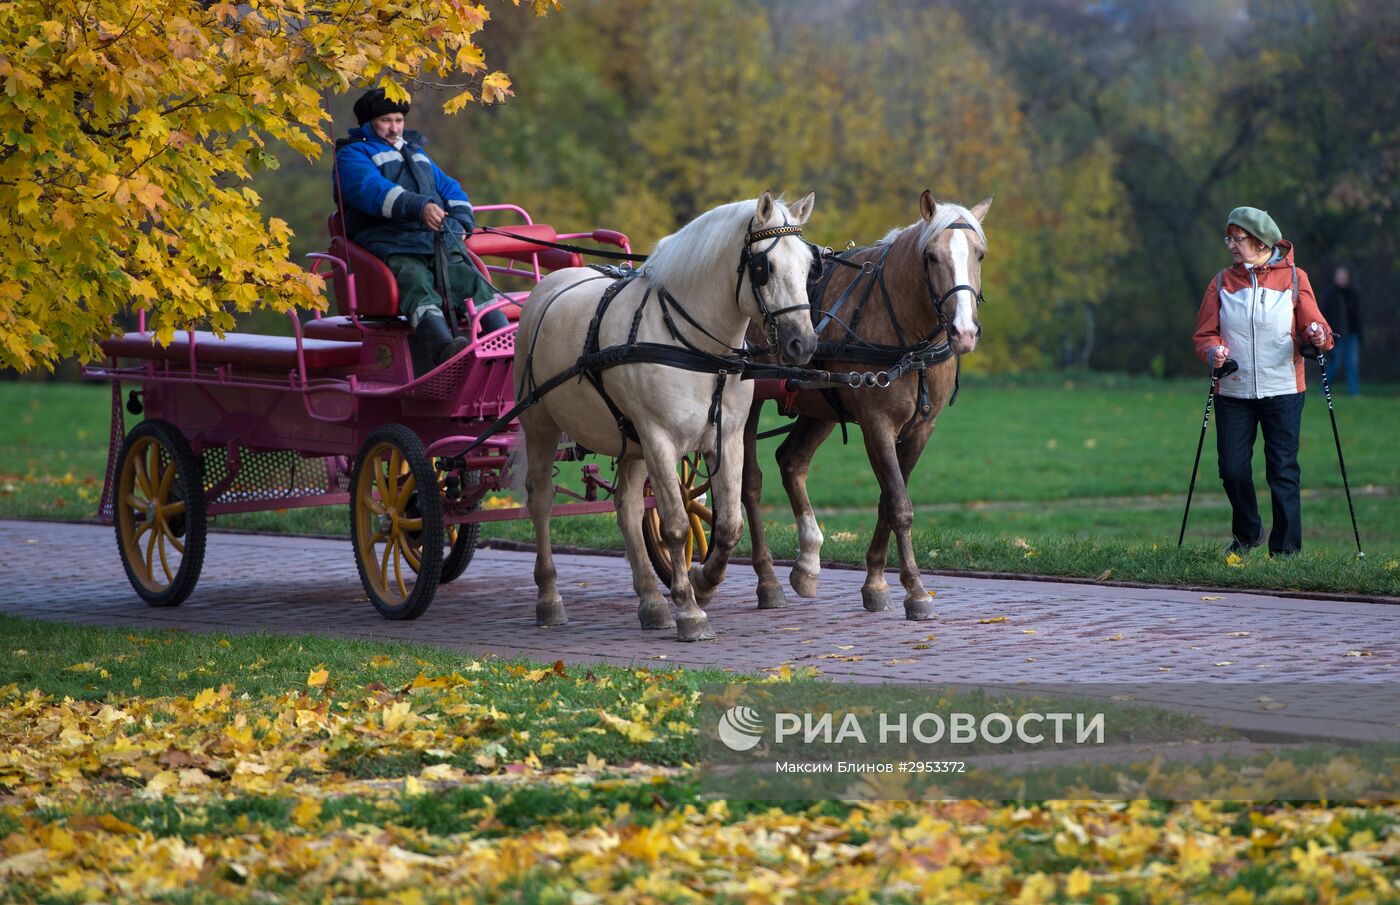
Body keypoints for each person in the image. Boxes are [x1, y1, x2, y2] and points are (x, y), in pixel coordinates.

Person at [1192, 207, 1333, 557]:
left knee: (1283, 470)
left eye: (1237, 239)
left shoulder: (1295, 278)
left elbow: (1318, 331)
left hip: (1283, 389)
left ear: (1259, 241)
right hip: (1234, 390)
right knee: (1232, 469)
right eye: (1229, 239)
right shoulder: (1222, 282)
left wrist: (1317, 334)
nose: (1231, 246)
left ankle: (1285, 552)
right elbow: (1204, 335)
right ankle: (1249, 531)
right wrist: (1213, 353)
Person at [333, 88, 509, 366]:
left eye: (399, 120)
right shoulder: (351, 156)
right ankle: (443, 351)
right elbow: (372, 191)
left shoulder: (415, 152)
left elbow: (449, 187)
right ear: (368, 124)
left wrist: (462, 221)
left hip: (432, 240)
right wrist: (419, 207)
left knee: (473, 281)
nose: (395, 128)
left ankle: (505, 344)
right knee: (417, 284)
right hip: (389, 242)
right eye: (386, 120)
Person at [1319, 265, 1363, 396]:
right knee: (1334, 365)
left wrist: (1359, 333)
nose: (1342, 279)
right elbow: (1325, 315)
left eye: (1344, 276)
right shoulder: (1330, 295)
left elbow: (1357, 315)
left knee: (1352, 365)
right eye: (1340, 276)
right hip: (1336, 336)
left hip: (1351, 335)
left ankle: (1354, 392)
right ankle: (1324, 390)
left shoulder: (1352, 294)